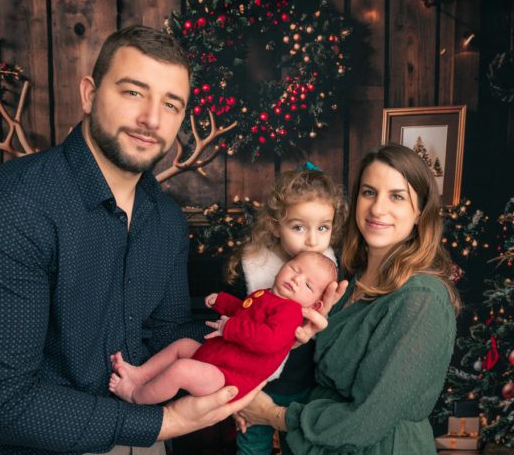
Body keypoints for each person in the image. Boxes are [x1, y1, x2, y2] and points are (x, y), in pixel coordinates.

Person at [0, 25, 269, 455]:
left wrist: (264, 326)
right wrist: (164, 422)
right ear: (89, 94)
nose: (152, 119)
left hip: (143, 436)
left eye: (171, 104)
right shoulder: (6, 210)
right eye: (134, 92)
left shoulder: (165, 217)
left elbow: (168, 334)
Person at [235, 144, 461, 454]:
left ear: (420, 211)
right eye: (369, 193)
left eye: (396, 196)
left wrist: (273, 415)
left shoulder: (421, 298)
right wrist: (249, 393)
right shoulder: (345, 279)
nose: (377, 209)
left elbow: (370, 418)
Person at [222, 168, 347, 455]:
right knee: (251, 446)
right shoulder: (252, 265)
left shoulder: (330, 271)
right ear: (277, 225)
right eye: (299, 227)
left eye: (323, 228)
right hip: (254, 383)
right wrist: (232, 394)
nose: (312, 240)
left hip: (304, 384)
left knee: (301, 447)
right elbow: (232, 330)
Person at [108, 251, 337, 405]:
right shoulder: (266, 294)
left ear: (315, 305)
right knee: (182, 346)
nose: (296, 279)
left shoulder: (291, 312)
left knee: (182, 370)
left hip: (230, 376)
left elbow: (269, 340)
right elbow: (244, 311)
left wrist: (230, 327)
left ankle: (135, 395)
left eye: (307, 284)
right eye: (294, 269)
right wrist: (222, 302)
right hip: (219, 357)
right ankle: (141, 374)